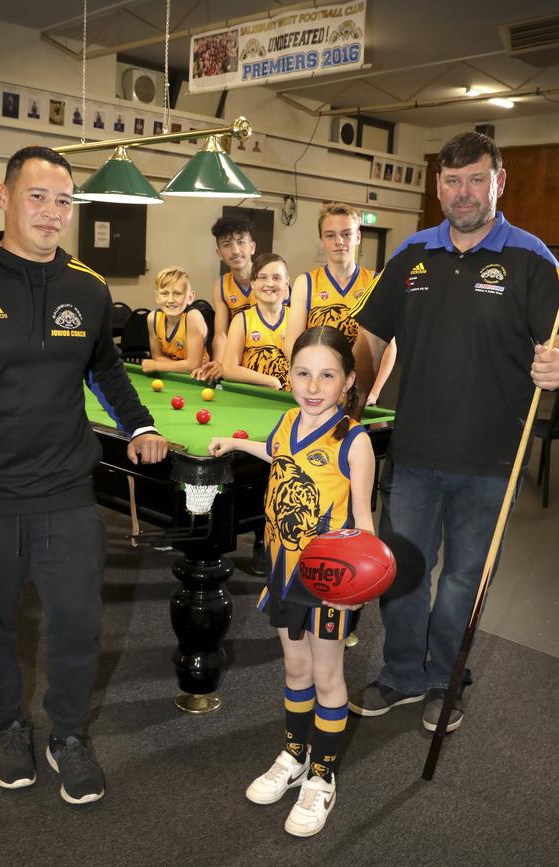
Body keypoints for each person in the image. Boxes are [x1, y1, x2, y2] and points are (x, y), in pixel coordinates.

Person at [0, 145, 168, 804]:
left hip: (64, 490)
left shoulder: (85, 284)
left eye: (64, 201)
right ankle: (7, 725)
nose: (53, 214)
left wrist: (138, 425)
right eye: (38, 197)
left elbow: (104, 366)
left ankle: (69, 734)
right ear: (3, 197)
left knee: (78, 624)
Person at [349, 131, 559, 734]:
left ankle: (445, 679)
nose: (462, 193)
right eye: (451, 180)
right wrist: (359, 398)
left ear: (498, 182)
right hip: (414, 451)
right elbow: (372, 335)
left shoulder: (532, 257)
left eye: (475, 179)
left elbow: (556, 345)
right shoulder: (413, 253)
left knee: (464, 580)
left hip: (492, 458)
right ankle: (401, 676)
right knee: (406, 571)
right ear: (437, 185)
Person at [209, 326, 375, 837]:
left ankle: (322, 776)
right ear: (290, 376)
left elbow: (366, 523)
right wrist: (236, 443)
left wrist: (364, 577)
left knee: (327, 677)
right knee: (295, 667)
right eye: (303, 373)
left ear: (347, 381)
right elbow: (279, 451)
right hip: (281, 571)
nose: (313, 385)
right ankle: (293, 755)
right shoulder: (285, 422)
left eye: (327, 375)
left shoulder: (355, 440)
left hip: (327, 582)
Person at [284, 202, 395, 405]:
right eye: (330, 235)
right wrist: (313, 381)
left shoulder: (376, 282)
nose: (339, 241)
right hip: (317, 391)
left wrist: (373, 391)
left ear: (358, 237)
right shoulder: (306, 283)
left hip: (359, 393)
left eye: (346, 234)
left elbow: (389, 347)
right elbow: (292, 343)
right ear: (321, 240)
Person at [192, 215, 257, 382]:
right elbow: (221, 334)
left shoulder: (270, 277)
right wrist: (219, 363)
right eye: (227, 245)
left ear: (252, 247)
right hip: (236, 361)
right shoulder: (221, 285)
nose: (235, 251)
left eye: (241, 242)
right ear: (219, 253)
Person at [222, 253, 290, 390]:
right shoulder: (241, 320)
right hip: (252, 398)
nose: (269, 283)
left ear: (286, 283)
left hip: (289, 400)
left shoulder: (296, 319)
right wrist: (270, 381)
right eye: (263, 277)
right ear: (253, 283)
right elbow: (228, 369)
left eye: (276, 278)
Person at [142, 266, 209, 376]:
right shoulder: (152, 319)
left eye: (177, 293)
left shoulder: (193, 317)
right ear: (157, 296)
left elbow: (193, 365)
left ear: (190, 297)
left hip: (198, 380)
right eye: (164, 293)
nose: (170, 300)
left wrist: (156, 365)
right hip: (170, 377)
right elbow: (157, 357)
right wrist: (183, 366)